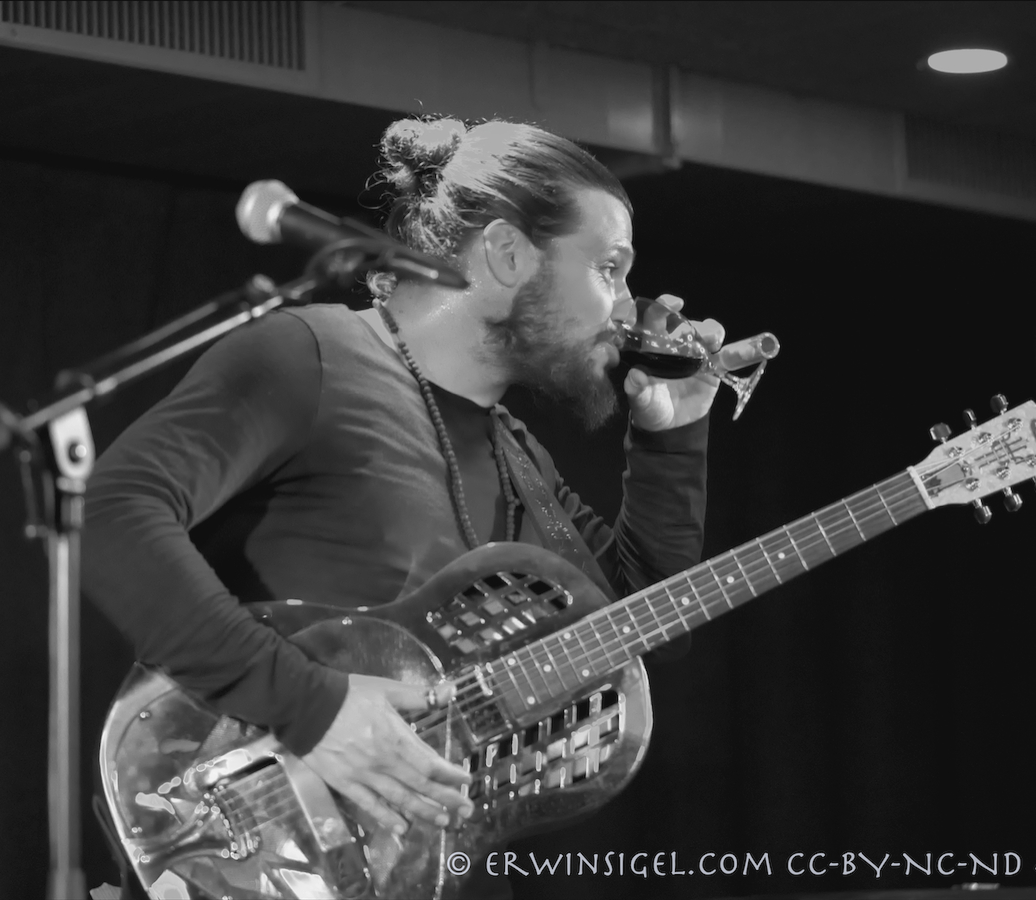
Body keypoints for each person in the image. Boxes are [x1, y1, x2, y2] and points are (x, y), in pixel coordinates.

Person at [82, 116, 726, 894]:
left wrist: (670, 440)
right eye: (609, 268)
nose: (625, 307)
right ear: (507, 253)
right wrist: (313, 706)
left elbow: (640, 628)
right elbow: (112, 510)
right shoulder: (311, 356)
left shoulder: (518, 454)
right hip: (248, 851)